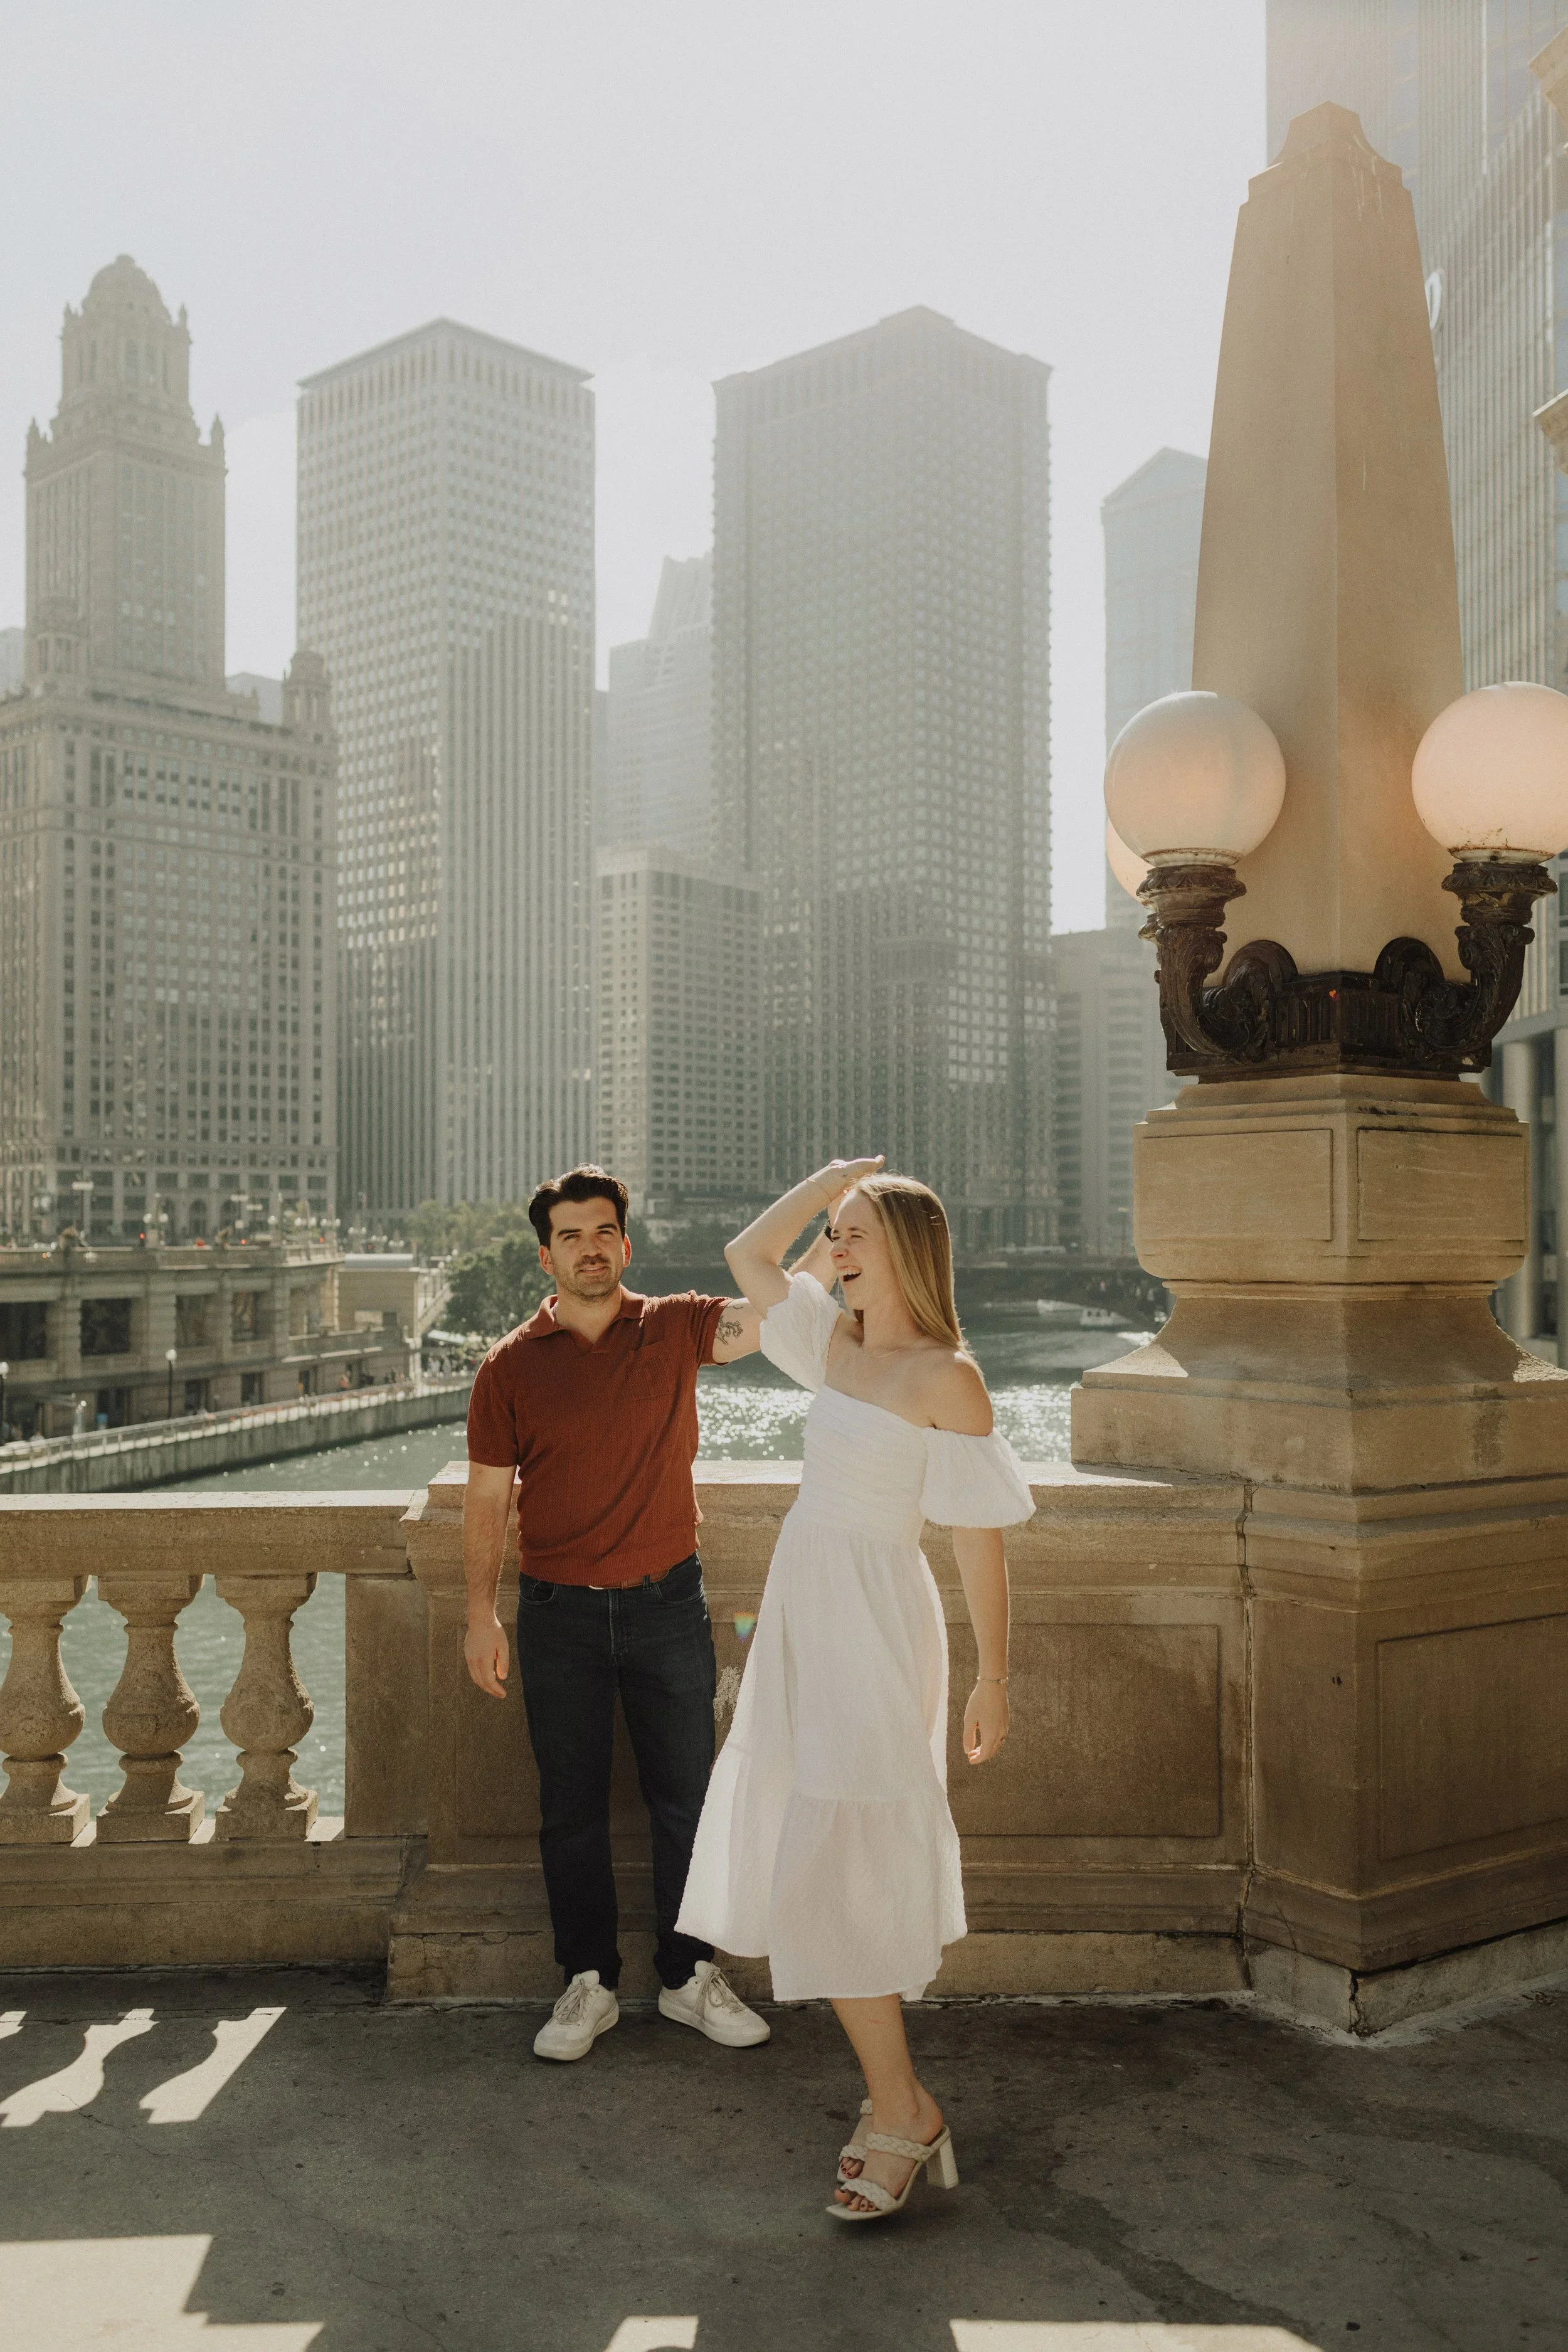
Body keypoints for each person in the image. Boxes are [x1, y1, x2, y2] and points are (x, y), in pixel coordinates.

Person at [677, 1157, 1034, 2223]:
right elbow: (747, 1258)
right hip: (803, 1612)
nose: (834, 1251)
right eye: (832, 1234)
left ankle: (903, 2111)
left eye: (854, 1233)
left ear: (909, 1252)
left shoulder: (946, 1375)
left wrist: (994, 1675)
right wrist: (828, 1182)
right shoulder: (829, 1340)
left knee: (839, 1867)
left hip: (878, 1625)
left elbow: (979, 1543)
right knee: (811, 1858)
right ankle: (902, 2103)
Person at [462, 1162, 836, 2065]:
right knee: (571, 1809)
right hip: (557, 1615)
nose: (588, 1248)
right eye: (569, 1236)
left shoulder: (677, 1326)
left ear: (625, 1244)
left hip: (669, 1603)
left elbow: (781, 1311)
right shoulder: (508, 1367)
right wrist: (479, 1610)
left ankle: (686, 1975)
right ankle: (586, 1983)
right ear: (545, 1255)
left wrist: (840, 1222)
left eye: (602, 1232)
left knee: (689, 1801)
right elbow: (486, 1500)